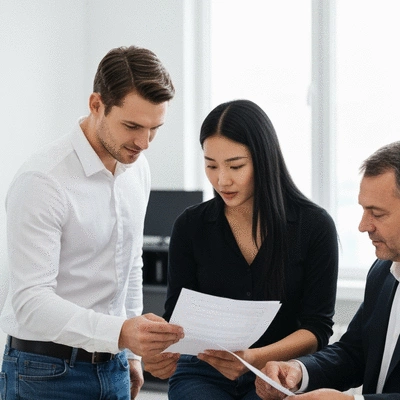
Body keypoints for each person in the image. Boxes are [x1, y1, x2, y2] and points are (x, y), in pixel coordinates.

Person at [0, 45, 184, 400]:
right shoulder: (43, 180)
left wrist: (130, 354)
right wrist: (123, 333)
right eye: (132, 126)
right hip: (44, 374)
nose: (144, 143)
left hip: (113, 367)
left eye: (154, 129)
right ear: (96, 104)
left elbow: (130, 263)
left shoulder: (137, 168)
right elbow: (30, 301)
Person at [142, 99, 339, 399]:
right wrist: (160, 353)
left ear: (264, 160)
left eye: (236, 166)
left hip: (277, 371)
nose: (222, 180)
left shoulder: (314, 226)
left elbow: (317, 329)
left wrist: (254, 358)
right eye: (211, 166)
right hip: (202, 371)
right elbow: (177, 317)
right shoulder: (190, 226)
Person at [255, 140, 400, 400]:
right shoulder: (382, 274)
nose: (363, 225)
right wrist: (298, 370)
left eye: (376, 214)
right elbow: (353, 354)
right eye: (363, 210)